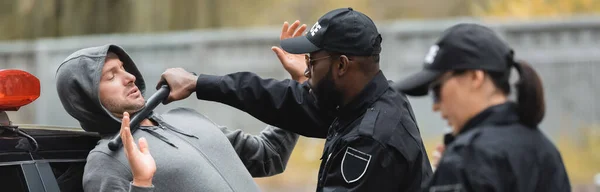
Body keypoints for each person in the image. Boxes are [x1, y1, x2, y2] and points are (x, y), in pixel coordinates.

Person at [159, 7, 432, 191]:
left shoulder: (370, 141)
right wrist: (198, 83)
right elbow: (279, 98)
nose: (307, 69)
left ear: (341, 66)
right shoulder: (367, 99)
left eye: (312, 61)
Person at [55, 44, 299, 191]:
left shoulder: (186, 118)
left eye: (123, 68)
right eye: (110, 76)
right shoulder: (105, 161)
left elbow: (269, 156)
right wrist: (141, 182)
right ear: (86, 98)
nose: (128, 77)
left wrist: (300, 86)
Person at [394, 23, 571, 191]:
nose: (436, 106)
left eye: (437, 89)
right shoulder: (545, 150)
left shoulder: (467, 158)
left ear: (475, 77)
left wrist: (450, 174)